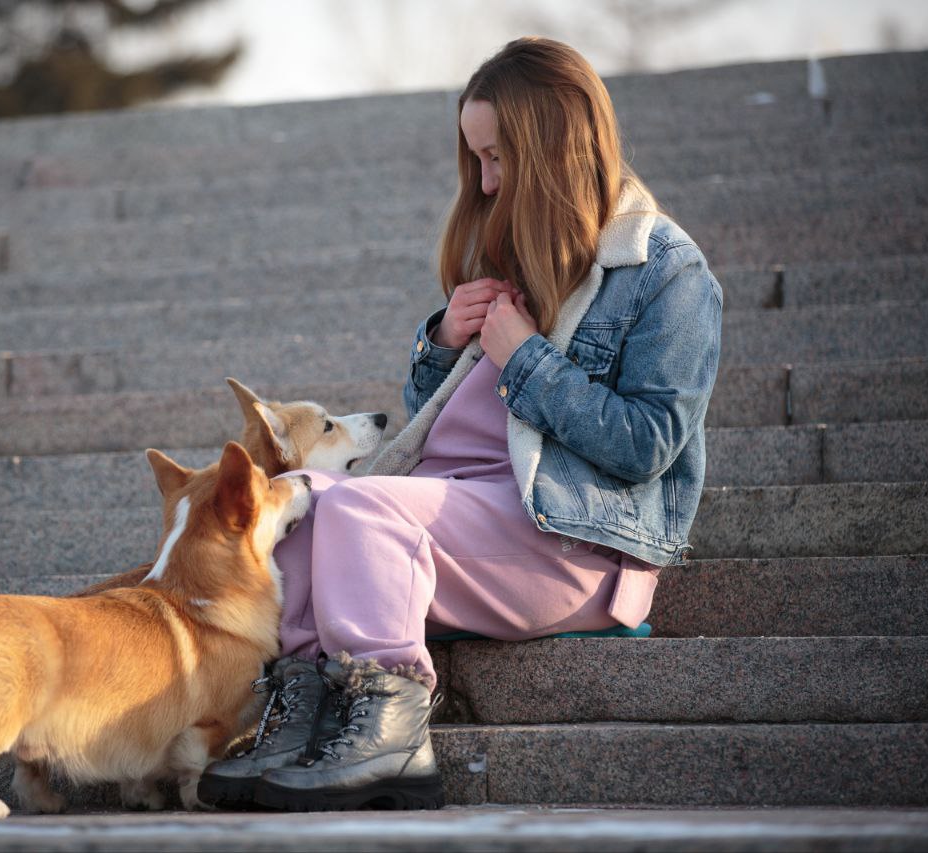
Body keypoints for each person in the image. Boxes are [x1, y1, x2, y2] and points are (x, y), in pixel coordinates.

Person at [198, 36, 723, 812]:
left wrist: (526, 359)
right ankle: (306, 706)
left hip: (572, 546)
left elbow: (645, 447)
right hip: (465, 517)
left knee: (362, 505)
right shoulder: (513, 249)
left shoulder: (668, 276)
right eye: (476, 158)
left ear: (555, 146)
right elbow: (444, 420)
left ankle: (393, 720)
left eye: (498, 157)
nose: (484, 180)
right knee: (299, 496)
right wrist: (444, 340)